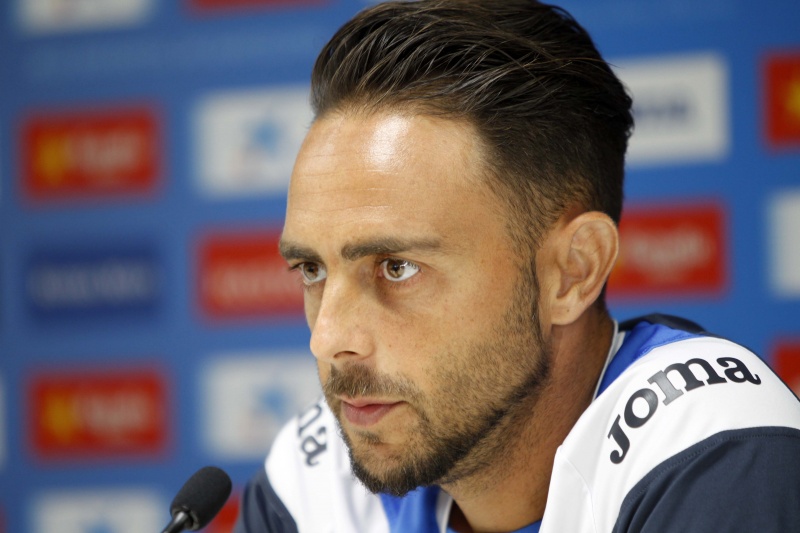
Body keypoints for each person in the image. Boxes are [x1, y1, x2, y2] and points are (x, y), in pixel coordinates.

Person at [233, 1, 800, 531]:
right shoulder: (311, 483)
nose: (327, 339)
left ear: (573, 272)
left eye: (397, 267)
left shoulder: (711, 447)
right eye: (311, 270)